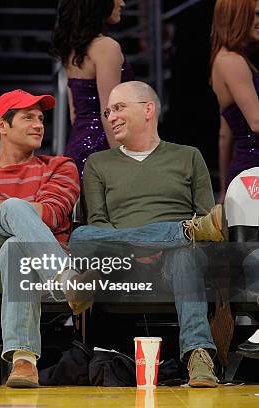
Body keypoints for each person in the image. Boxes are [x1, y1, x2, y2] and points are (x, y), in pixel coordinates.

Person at [69, 81, 226, 387]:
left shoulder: (188, 156)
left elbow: (211, 226)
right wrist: (142, 246)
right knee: (81, 237)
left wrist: (163, 245)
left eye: (119, 108)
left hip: (174, 264)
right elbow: (98, 227)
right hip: (119, 265)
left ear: (148, 110)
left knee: (187, 255)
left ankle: (198, 354)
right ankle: (180, 232)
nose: (110, 116)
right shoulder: (99, 163)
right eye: (107, 111)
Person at [0, 89, 80, 388]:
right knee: (13, 213)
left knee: (16, 248)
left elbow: (51, 214)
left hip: (34, 271)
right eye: (28, 117)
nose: (39, 124)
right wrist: (7, 210)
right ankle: (65, 277)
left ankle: (23, 360)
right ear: (2, 125)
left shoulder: (60, 166)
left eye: (41, 118)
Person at [50, 0, 134, 179]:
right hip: (105, 150)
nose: (122, 3)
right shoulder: (106, 47)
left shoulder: (73, 47)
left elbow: (75, 115)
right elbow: (110, 113)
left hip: (76, 149)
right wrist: (126, 163)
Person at [210, 0, 259, 199]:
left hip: (245, 172)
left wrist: (224, 190)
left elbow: (225, 135)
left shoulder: (227, 59)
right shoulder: (231, 61)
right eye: (256, 14)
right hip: (253, 169)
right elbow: (256, 122)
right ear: (238, 16)